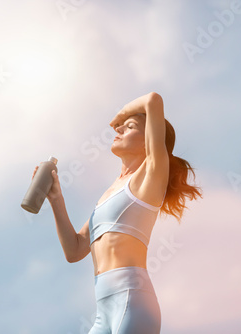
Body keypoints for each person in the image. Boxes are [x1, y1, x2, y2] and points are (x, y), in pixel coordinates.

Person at [32, 92, 202, 333]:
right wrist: (56, 200)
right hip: (103, 311)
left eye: (130, 127)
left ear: (149, 141)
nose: (119, 129)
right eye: (121, 126)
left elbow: (153, 100)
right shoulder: (109, 193)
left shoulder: (150, 176)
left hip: (133, 301)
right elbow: (75, 249)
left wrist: (120, 114)